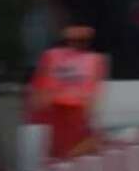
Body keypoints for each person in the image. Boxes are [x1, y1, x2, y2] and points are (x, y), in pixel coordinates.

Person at [28, 24, 107, 163]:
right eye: (73, 40)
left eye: (81, 40)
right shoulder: (51, 57)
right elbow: (38, 95)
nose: (76, 45)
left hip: (71, 118)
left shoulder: (94, 60)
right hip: (57, 117)